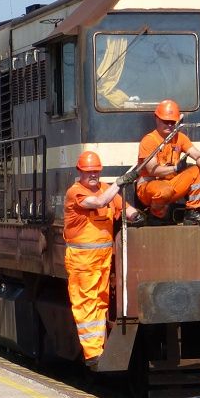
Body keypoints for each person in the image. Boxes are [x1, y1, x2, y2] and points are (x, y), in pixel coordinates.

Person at [64, 150, 144, 367]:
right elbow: (100, 202)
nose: (93, 176)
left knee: (100, 302)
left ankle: (99, 348)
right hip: (82, 261)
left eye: (96, 172)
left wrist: (138, 215)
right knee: (86, 304)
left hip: (102, 259)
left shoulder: (106, 189)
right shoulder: (76, 193)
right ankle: (92, 354)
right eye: (89, 172)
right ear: (79, 171)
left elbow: (123, 208)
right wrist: (120, 183)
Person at [135, 99, 200, 225]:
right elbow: (152, 169)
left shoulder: (180, 138)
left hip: (170, 185)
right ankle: (155, 216)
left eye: (172, 122)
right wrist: (175, 169)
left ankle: (192, 212)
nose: (169, 125)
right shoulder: (149, 140)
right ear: (157, 119)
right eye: (166, 121)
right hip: (149, 187)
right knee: (165, 190)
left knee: (198, 170)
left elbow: (197, 154)